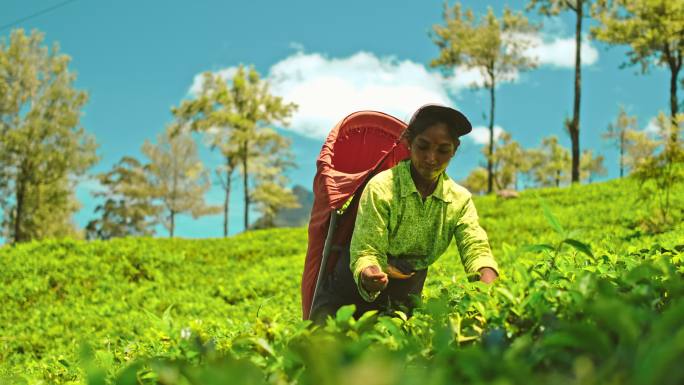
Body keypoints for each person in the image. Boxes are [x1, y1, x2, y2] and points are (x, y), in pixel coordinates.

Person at [310, 104, 499, 323]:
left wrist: (487, 287)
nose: (431, 158)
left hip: (403, 299)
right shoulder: (383, 187)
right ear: (409, 142)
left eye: (443, 150)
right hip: (347, 294)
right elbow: (367, 249)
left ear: (455, 150)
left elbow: (476, 247)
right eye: (423, 146)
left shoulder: (459, 200)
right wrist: (370, 274)